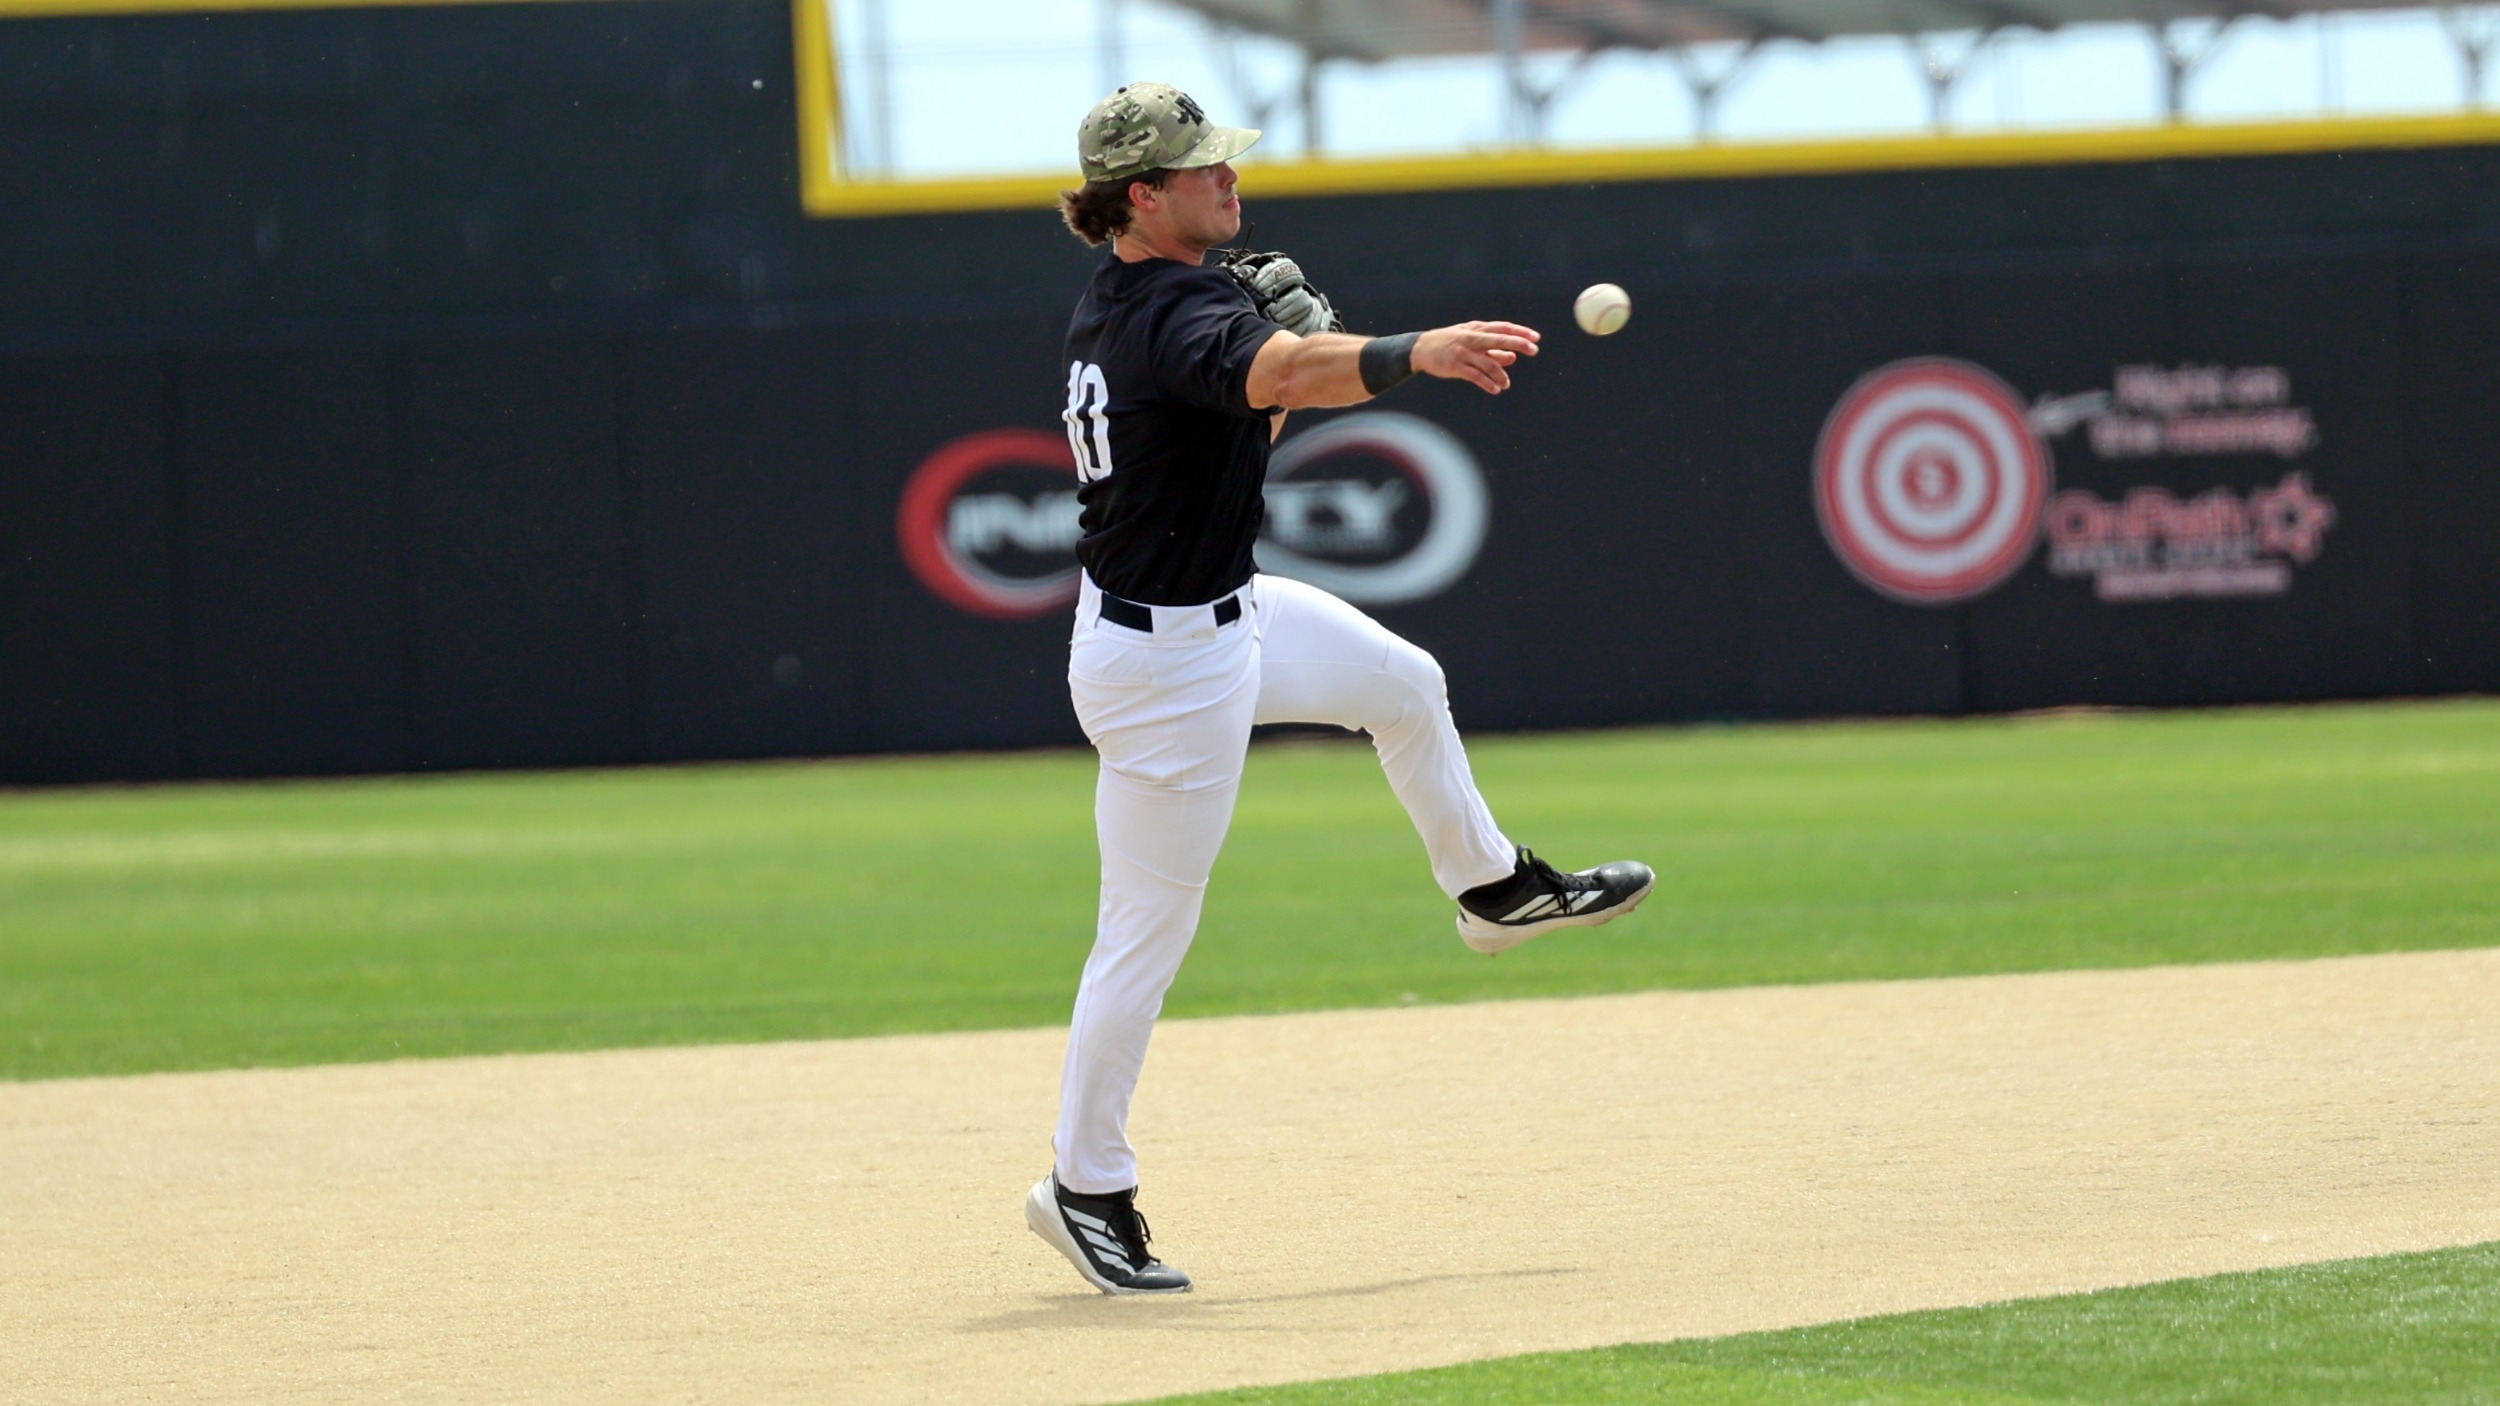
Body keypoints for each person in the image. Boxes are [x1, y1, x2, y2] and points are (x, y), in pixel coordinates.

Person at [1024, 83, 1656, 1296]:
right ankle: (1083, 1183)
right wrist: (1415, 350)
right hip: (1164, 671)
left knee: (1403, 683)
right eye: (1198, 166)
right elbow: (1289, 375)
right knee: (1142, 938)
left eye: (1222, 158)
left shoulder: (1135, 297)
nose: (1228, 177)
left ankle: (1489, 888)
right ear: (1140, 196)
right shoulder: (1164, 306)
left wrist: (1284, 370)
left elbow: (1245, 412)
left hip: (1216, 616)